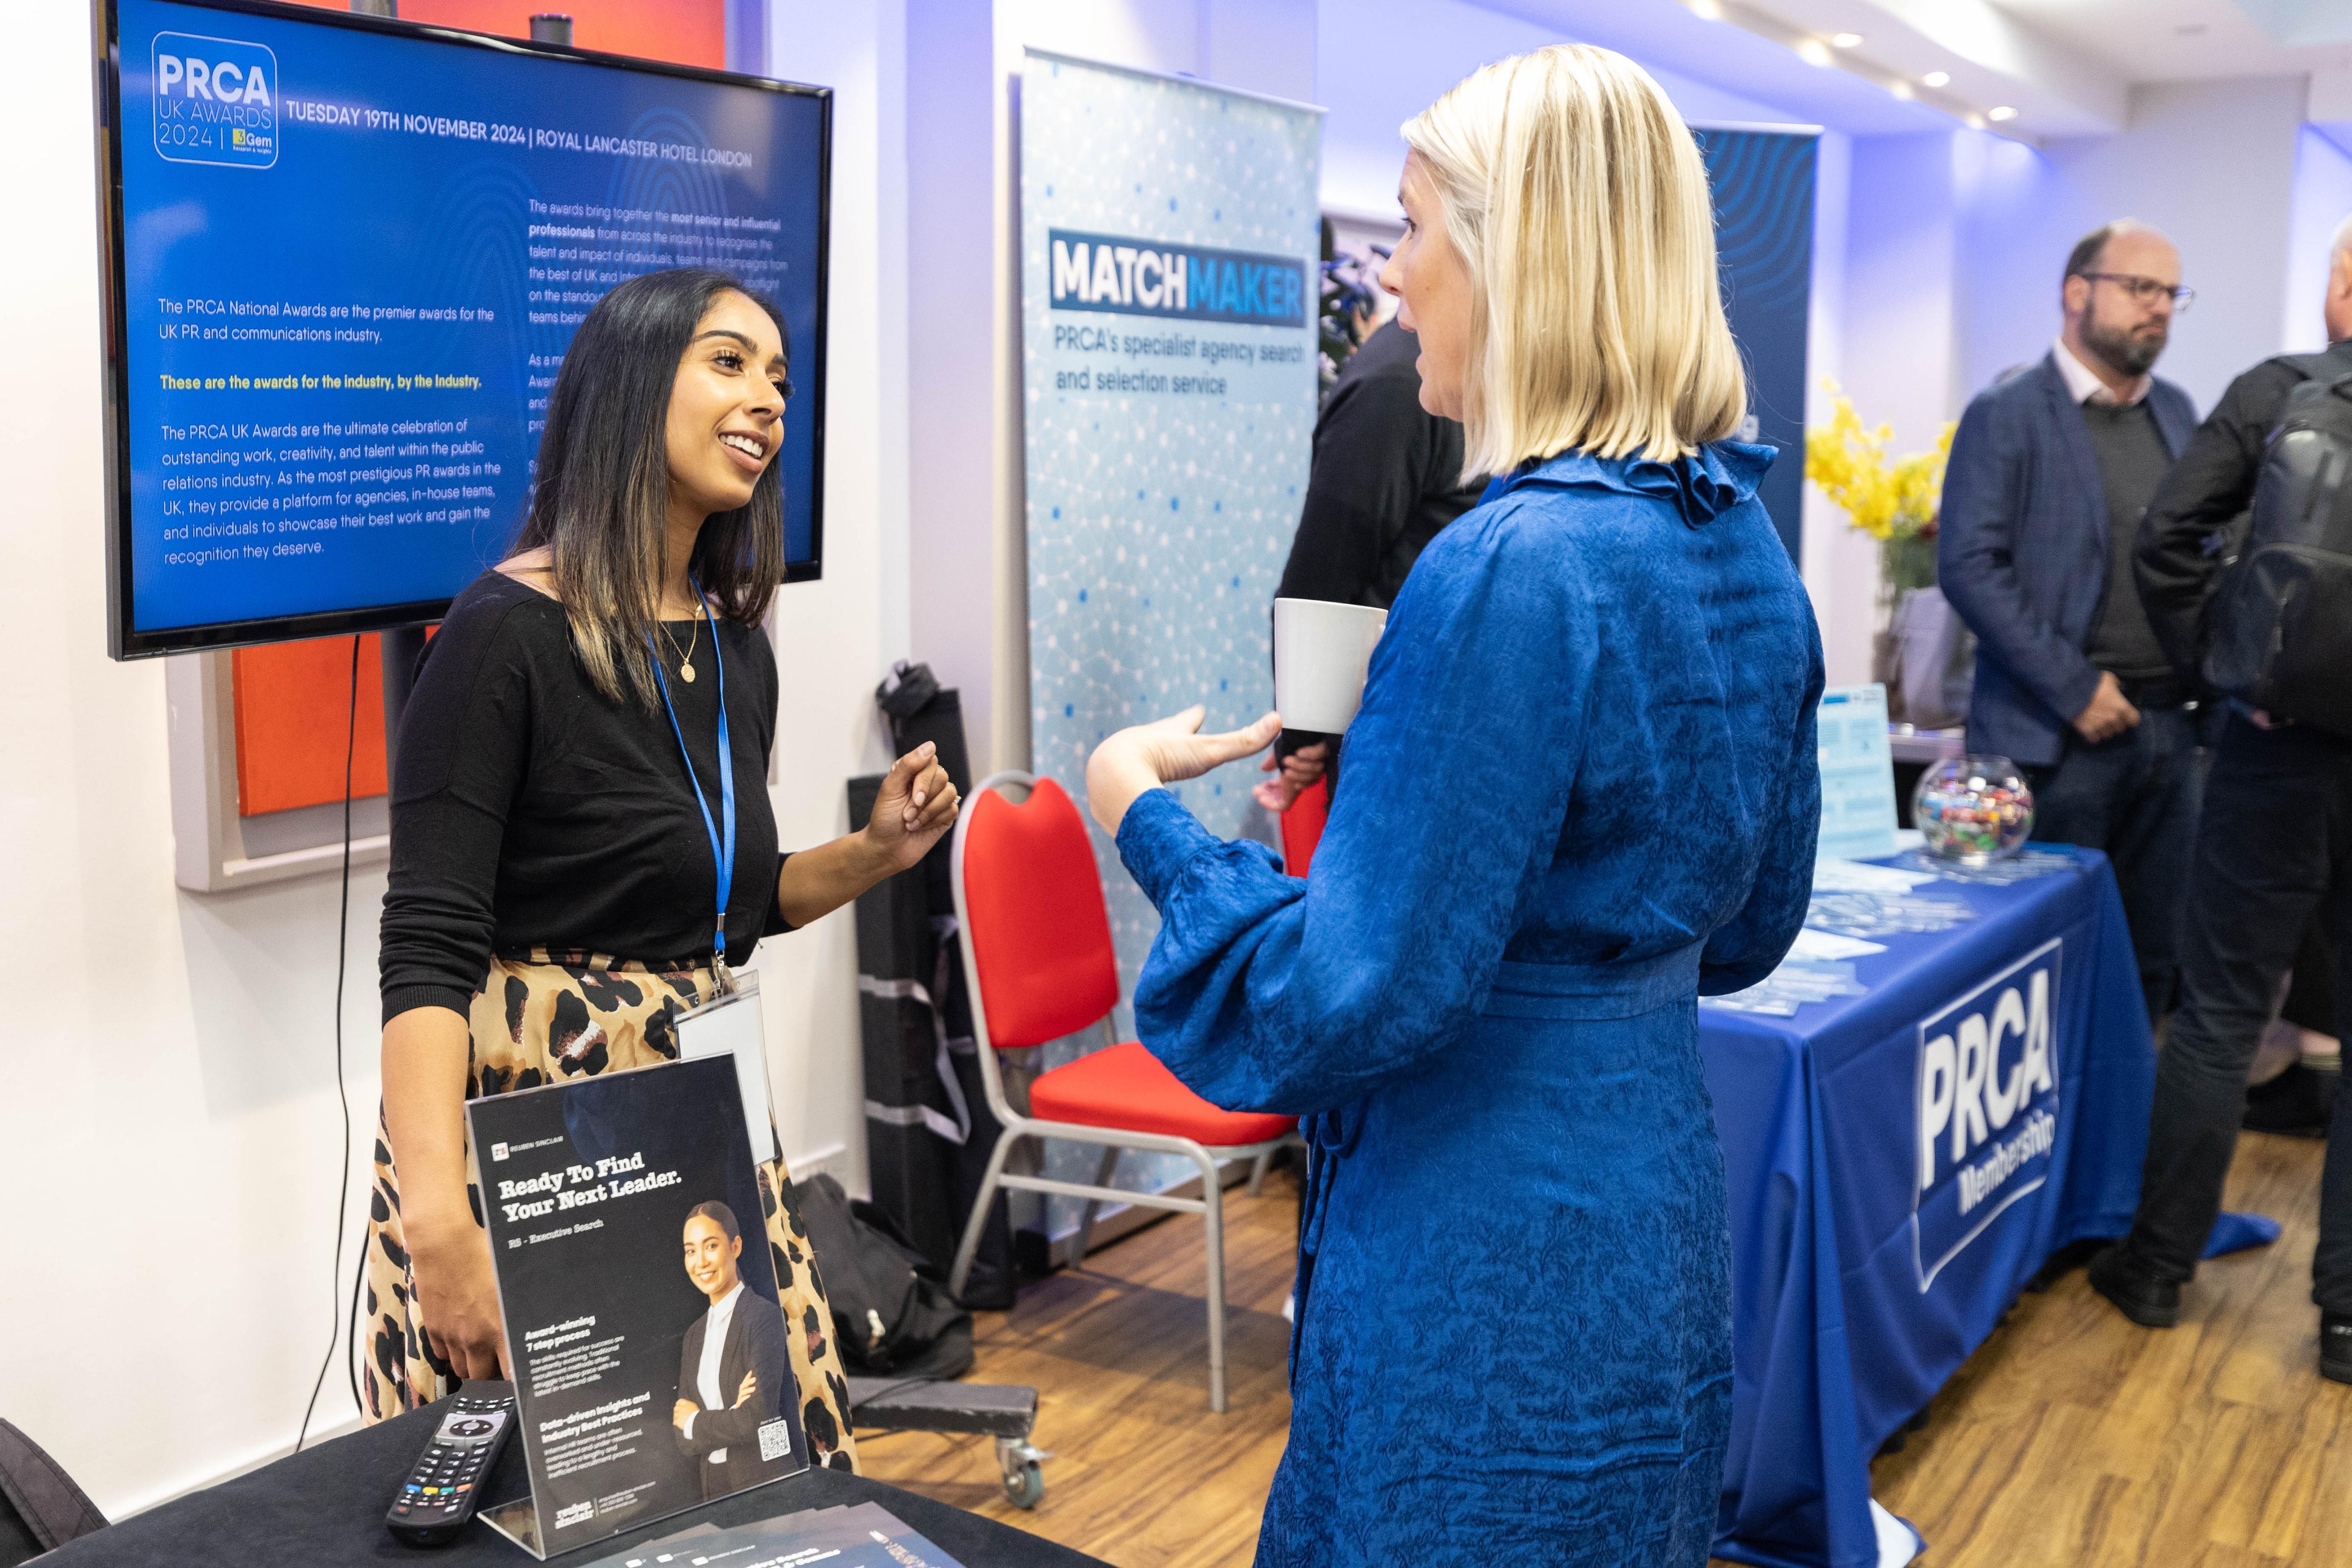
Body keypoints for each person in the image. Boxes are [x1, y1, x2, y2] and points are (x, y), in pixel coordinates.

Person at [1083, 45, 1821, 1564]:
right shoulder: (1743, 543)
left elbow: (1345, 996)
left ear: (1515, 251)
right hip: (1651, 1217)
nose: (1394, 277)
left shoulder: (1505, 567)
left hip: (1482, 1237)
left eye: (1416, 228)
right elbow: (1745, 929)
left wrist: (1137, 812)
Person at [365, 269, 961, 1464]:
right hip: (533, 1131)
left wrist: (875, 851)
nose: (768, 401)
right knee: (571, 1494)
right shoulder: (499, 635)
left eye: (780, 380)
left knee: (749, 1465)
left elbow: (727, 909)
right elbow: (426, 948)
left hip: (699, 1118)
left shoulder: (733, 645)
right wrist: (438, 1226)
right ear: (634, 386)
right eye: (729, 362)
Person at [2089, 217, 2352, 1381]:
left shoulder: (2273, 390)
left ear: (2342, 285)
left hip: (2267, 751)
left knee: (2217, 1012)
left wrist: (2226, 669)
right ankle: (2344, 1323)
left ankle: (2153, 1270)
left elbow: (2166, 537)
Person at [1939, 220, 2201, 1025]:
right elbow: (1970, 567)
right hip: (2055, 741)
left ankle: (2128, 1142)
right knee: (2040, 970)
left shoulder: (2181, 414)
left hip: (2169, 737)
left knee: (2153, 967)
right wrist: (2076, 686)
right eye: (2141, 288)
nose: (2158, 308)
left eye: (2171, 294)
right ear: (2077, 290)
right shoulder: (2008, 412)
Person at [1257, 312, 1485, 814]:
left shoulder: (1457, 370)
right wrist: (1304, 733)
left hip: (1441, 744)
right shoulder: (1398, 386)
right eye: (1408, 229)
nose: (1388, 271)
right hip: (1396, 757)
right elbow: (1320, 582)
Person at [673, 1202, 796, 1498]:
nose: (700, 1261)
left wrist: (697, 1421)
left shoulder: (763, 1316)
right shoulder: (693, 1336)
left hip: (764, 1481)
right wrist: (732, 1414)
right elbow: (682, 1438)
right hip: (712, 1484)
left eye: (711, 1246)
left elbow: (757, 1418)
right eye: (691, 1250)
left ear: (736, 1247)